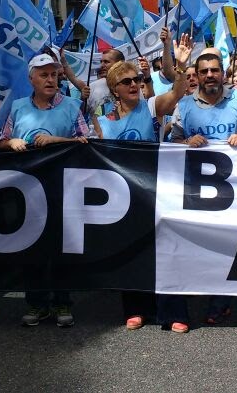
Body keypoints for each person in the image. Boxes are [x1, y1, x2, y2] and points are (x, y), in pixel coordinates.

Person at [168, 49, 237, 332]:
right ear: (196, 76)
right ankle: (218, 299)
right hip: (201, 193)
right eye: (204, 71)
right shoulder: (184, 106)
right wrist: (186, 141)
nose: (210, 75)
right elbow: (170, 143)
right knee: (214, 249)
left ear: (222, 72)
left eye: (215, 70)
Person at [93, 55, 189, 330]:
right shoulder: (103, 121)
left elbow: (177, 94)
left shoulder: (151, 107)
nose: (134, 84)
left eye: (136, 79)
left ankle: (174, 312)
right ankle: (137, 308)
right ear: (114, 89)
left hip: (158, 192)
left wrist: (180, 66)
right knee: (132, 252)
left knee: (167, 252)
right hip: (124, 197)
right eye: (126, 81)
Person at [0, 54, 89, 327]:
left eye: (53, 74)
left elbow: (88, 142)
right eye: (44, 74)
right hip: (26, 190)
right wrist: (10, 141)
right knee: (31, 247)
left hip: (62, 189)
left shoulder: (72, 107)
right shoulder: (19, 107)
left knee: (60, 248)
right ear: (31, 79)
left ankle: (62, 302)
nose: (50, 79)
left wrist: (56, 140)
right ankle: (36, 304)